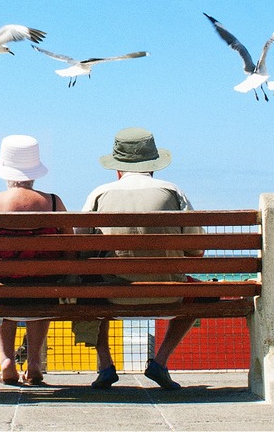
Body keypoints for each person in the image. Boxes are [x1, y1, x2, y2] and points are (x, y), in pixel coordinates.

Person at [81, 127, 204, 391]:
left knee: (87, 289)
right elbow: (197, 251)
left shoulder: (100, 194)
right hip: (170, 295)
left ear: (117, 168)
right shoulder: (173, 192)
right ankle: (160, 362)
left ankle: (105, 366)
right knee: (203, 294)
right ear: (154, 166)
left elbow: (82, 250)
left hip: (112, 295)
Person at [0, 134, 71, 386]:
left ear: (4, 171)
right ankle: (34, 364)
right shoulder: (53, 203)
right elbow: (70, 253)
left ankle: (7, 361)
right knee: (45, 284)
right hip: (44, 290)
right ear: (35, 173)